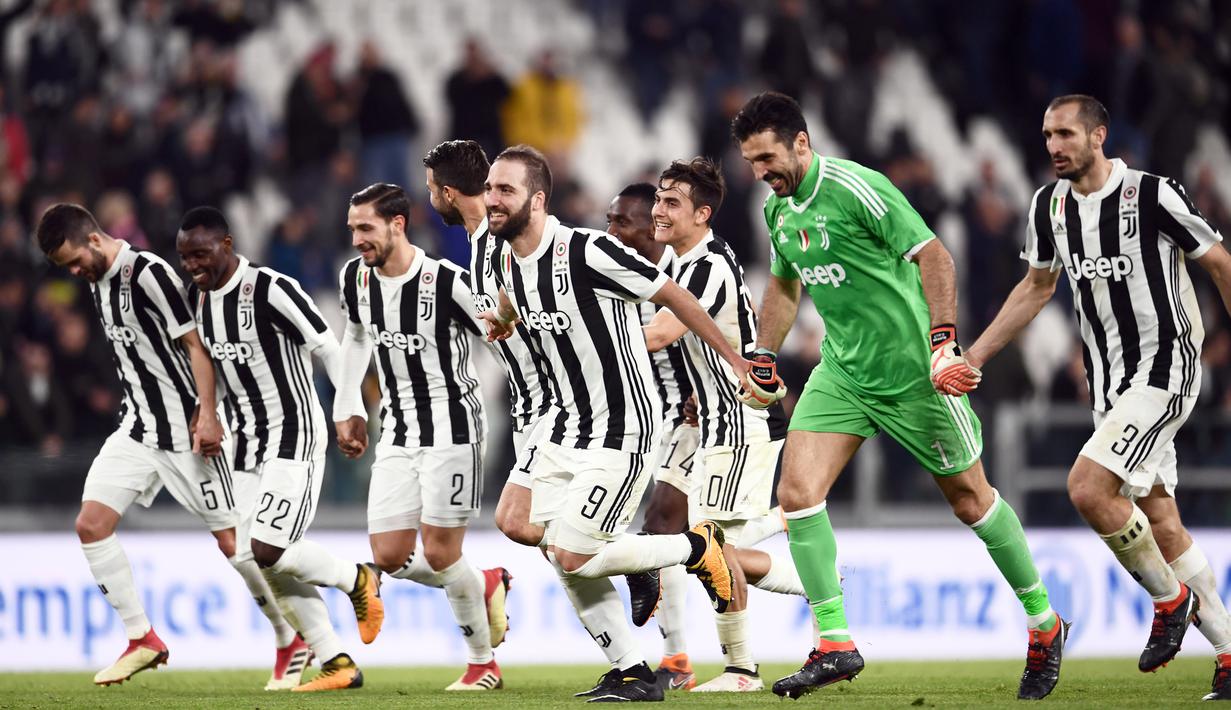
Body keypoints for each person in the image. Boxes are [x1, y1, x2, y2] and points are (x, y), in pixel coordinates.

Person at [730, 92, 1065, 700]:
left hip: (916, 375)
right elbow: (783, 287)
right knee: (798, 494)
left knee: (971, 501)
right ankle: (835, 643)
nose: (759, 173)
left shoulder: (858, 188)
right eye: (751, 162)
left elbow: (935, 257)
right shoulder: (777, 210)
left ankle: (1045, 622)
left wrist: (943, 344)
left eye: (767, 158)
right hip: (843, 372)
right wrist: (765, 353)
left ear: (801, 143)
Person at [966, 94, 1231, 702]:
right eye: (1047, 135)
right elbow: (1037, 286)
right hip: (1110, 384)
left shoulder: (1153, 194)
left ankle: (1170, 601)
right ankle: (1228, 651)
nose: (1054, 146)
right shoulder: (1049, 205)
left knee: (1088, 488)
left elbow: (1219, 262)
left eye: (1065, 134)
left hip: (1167, 368)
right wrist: (976, 355)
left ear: (1098, 135)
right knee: (1161, 520)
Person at [479, 144, 739, 702]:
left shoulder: (588, 250)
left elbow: (675, 296)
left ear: (537, 200)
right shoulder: (504, 257)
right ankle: (632, 669)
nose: (492, 199)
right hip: (561, 422)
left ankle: (693, 550)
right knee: (516, 521)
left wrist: (736, 361)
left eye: (505, 190)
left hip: (621, 427)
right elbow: (515, 295)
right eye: (490, 188)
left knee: (574, 557)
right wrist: (502, 318)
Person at [34, 203, 306, 689]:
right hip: (138, 428)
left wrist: (208, 414)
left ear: (93, 239)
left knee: (238, 546)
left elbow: (196, 346)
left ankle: (292, 638)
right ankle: (142, 638)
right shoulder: (97, 281)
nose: (74, 272)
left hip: (187, 431)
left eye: (74, 261)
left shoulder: (148, 274)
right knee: (91, 525)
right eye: (65, 267)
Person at [176, 206, 382, 692]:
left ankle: (358, 578)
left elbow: (327, 346)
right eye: (185, 257)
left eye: (200, 254)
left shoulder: (270, 288)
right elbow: (210, 363)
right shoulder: (197, 298)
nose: (192, 265)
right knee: (251, 557)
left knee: (269, 548)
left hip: (295, 435)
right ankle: (336, 661)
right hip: (246, 442)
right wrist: (206, 412)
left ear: (227, 244)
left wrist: (347, 409)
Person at [605, 182, 792, 692]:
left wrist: (586, 345)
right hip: (708, 419)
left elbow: (664, 333)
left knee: (706, 546)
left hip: (738, 417)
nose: (659, 213)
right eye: (658, 203)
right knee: (702, 545)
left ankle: (740, 669)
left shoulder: (706, 265)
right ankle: (816, 581)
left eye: (670, 204)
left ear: (702, 214)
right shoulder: (681, 263)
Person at [333, 182, 510, 691]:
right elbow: (356, 338)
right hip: (397, 430)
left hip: (453, 430)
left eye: (366, 228)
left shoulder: (446, 282)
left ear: (397, 224)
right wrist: (348, 407)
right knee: (389, 555)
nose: (357, 240)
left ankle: (482, 664)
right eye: (352, 230)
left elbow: (500, 338)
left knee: (439, 552)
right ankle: (486, 583)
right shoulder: (354, 278)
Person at [422, 139, 550, 549]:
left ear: (447, 193)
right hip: (527, 403)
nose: (430, 199)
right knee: (557, 553)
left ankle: (648, 556)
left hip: (556, 402)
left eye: (430, 189)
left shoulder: (506, 243)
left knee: (522, 522)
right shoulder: (479, 246)